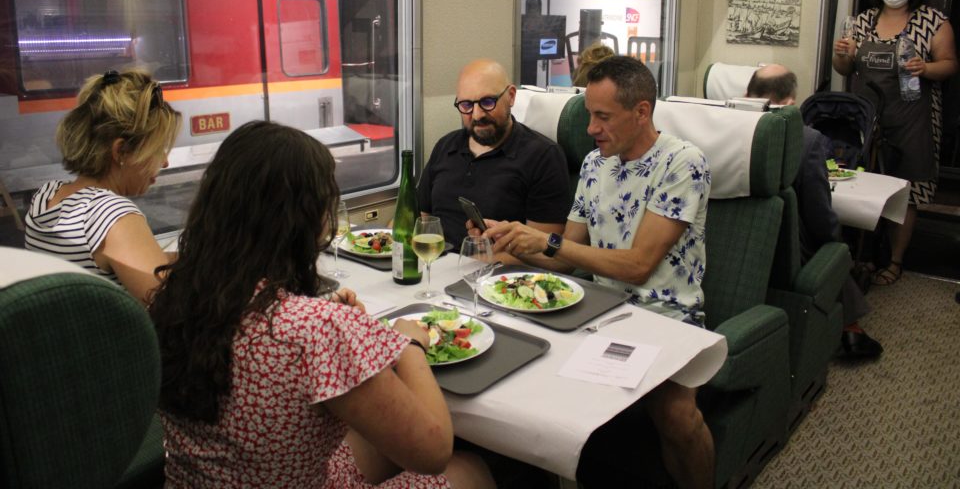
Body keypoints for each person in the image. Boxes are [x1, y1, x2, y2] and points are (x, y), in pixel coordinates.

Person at [149, 121, 493, 489]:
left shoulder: (174, 296)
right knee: (468, 469)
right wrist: (409, 345)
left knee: (371, 441)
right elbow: (434, 451)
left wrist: (344, 335)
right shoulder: (317, 329)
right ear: (304, 220)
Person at [483, 57, 714, 489]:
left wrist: (549, 243)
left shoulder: (683, 163)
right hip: (601, 313)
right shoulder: (594, 164)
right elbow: (564, 261)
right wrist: (516, 239)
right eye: (589, 114)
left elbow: (638, 266)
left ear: (641, 112)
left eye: (602, 116)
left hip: (669, 318)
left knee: (676, 414)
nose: (591, 128)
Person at [833, 0, 957, 286]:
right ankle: (864, 255)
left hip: (912, 119)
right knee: (862, 187)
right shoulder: (863, 21)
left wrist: (925, 68)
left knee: (907, 191)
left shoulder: (933, 20)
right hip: (867, 118)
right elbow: (844, 69)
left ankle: (895, 260)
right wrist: (841, 54)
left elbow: (949, 65)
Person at [746, 64, 882, 359]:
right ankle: (851, 329)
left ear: (747, 94)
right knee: (832, 249)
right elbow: (820, 215)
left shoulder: (726, 127)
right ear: (792, 102)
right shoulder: (807, 141)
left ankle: (850, 326)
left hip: (739, 247)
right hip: (787, 251)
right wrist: (836, 242)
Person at [24, 69, 181, 304]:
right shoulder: (110, 215)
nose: (165, 161)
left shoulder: (46, 196)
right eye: (157, 150)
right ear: (121, 152)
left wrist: (195, 259)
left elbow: (139, 260)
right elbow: (171, 305)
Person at [417, 58, 569, 251]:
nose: (477, 114)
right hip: (435, 265)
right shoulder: (446, 146)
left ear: (511, 96)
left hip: (494, 274)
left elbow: (544, 254)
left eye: (487, 102)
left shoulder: (543, 156)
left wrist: (470, 265)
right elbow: (422, 218)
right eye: (466, 105)